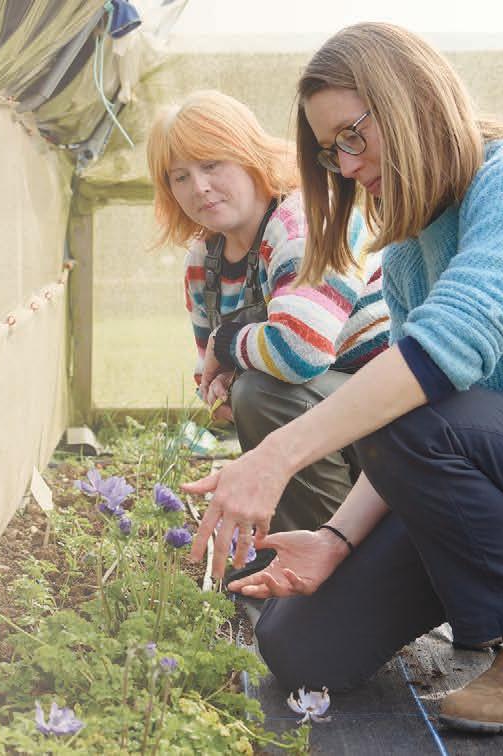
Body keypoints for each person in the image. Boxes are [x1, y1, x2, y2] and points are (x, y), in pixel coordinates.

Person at [182, 22, 503, 734]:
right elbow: (419, 418)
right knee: (300, 645)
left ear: (410, 101)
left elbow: (449, 353)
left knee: (410, 403)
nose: (347, 166)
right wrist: (336, 539)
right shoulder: (410, 253)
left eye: (354, 135)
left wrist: (275, 457)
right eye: (331, 150)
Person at [146, 90, 390, 537]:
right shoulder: (203, 260)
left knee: (263, 393)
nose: (199, 187)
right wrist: (218, 384)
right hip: (331, 426)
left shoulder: (306, 224)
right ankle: (293, 544)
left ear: (250, 156)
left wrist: (227, 345)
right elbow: (210, 374)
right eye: (180, 177)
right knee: (254, 393)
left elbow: (298, 352)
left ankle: (331, 550)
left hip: (395, 427)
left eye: (211, 165)